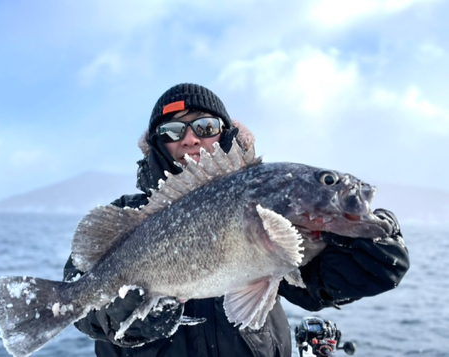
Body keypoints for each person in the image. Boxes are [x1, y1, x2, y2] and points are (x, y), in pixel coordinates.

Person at [64, 83, 410, 357]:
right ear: (156, 144)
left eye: (205, 125)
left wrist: (366, 262)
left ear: (225, 133)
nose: (190, 138)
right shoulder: (128, 215)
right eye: (171, 131)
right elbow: (79, 305)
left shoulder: (269, 205)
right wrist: (125, 316)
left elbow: (314, 285)